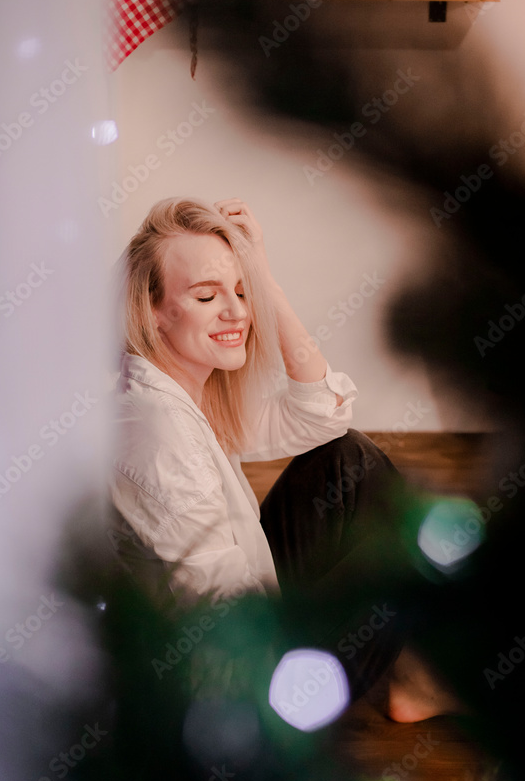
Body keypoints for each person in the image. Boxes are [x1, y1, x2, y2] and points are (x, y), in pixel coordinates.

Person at [109, 196, 460, 722]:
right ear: (151, 313)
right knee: (401, 548)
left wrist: (262, 277)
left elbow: (323, 414)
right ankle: (405, 675)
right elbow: (224, 617)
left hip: (248, 611)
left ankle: (402, 671)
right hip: (234, 683)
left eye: (242, 293)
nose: (237, 313)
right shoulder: (158, 434)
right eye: (207, 296)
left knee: (346, 460)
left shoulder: (181, 392)